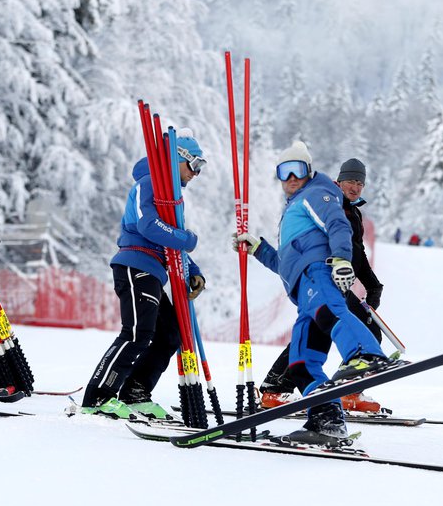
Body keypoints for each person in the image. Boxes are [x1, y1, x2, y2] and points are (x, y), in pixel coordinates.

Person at [235, 141, 396, 444]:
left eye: (299, 169)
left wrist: (341, 259)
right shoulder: (292, 209)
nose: (292, 177)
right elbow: (286, 264)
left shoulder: (316, 194)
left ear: (310, 171)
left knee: (330, 313)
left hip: (318, 275)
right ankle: (326, 420)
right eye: (285, 171)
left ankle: (365, 354)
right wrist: (258, 250)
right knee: (299, 364)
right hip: (301, 290)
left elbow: (338, 224)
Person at [80, 130, 205, 420]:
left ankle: (135, 392)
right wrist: (186, 238)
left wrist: (194, 270)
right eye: (194, 165)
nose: (196, 173)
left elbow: (171, 244)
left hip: (153, 271)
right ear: (177, 159)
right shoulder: (147, 184)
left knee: (170, 334)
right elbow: (149, 226)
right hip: (135, 265)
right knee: (137, 333)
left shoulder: (173, 197)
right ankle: (99, 396)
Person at [259, 157, 386, 414]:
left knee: (322, 331)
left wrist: (372, 285)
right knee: (330, 320)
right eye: (350, 181)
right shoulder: (327, 202)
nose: (355, 187)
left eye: (360, 183)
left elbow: (358, 253)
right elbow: (304, 251)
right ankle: (279, 385)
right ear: (338, 182)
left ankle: (332, 404)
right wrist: (260, 250)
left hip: (334, 276)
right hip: (325, 274)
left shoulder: (352, 212)